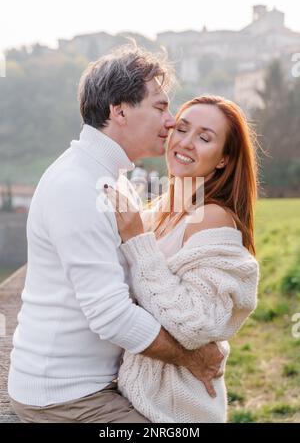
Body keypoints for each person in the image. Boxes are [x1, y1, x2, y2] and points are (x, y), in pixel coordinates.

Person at [8, 46, 223, 423]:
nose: (171, 121)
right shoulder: (77, 187)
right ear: (119, 110)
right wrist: (193, 357)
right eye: (160, 107)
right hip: (65, 397)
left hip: (94, 384)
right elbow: (110, 315)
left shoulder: (108, 177)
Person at [105, 95, 260, 422]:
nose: (186, 143)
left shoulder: (211, 217)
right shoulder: (154, 212)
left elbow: (196, 323)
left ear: (223, 159)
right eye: (182, 129)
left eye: (204, 138)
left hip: (176, 411)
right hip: (135, 398)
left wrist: (136, 239)